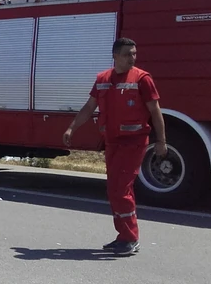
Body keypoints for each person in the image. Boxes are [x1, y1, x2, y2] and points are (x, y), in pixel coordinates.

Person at [63, 37, 167, 256]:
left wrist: (161, 141)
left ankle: (130, 238)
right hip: (112, 142)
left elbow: (155, 111)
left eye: (134, 54)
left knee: (121, 189)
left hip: (134, 142)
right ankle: (123, 237)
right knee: (114, 189)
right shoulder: (103, 79)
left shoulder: (142, 79)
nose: (132, 58)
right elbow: (89, 107)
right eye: (128, 54)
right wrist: (72, 128)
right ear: (115, 56)